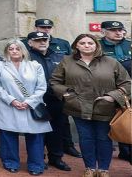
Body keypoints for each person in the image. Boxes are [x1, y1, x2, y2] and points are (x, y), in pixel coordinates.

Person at [51, 33, 131, 177]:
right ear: (76, 45)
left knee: (103, 138)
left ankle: (104, 169)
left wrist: (112, 97)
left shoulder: (110, 62)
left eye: (90, 43)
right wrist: (66, 94)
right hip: (78, 107)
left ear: (96, 45)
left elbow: (126, 83)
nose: (87, 46)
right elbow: (55, 81)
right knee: (85, 138)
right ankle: (90, 168)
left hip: (105, 108)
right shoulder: (67, 61)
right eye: (82, 43)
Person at [0, 39, 52, 175]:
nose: (14, 51)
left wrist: (29, 102)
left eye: (17, 48)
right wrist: (11, 100)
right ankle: (11, 162)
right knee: (8, 135)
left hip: (32, 105)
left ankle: (36, 165)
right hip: (9, 105)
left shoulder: (35, 66)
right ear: (6, 51)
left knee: (35, 136)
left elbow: (41, 87)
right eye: (11, 49)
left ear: (23, 51)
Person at [25, 31, 72, 172]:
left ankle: (56, 157)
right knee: (37, 131)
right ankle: (39, 158)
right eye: (38, 40)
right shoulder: (25, 57)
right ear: (30, 43)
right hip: (36, 100)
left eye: (45, 39)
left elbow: (68, 76)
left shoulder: (60, 56)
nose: (42, 42)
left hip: (56, 99)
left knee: (57, 130)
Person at [99, 20, 131, 162]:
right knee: (109, 121)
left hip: (129, 89)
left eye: (120, 30)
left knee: (127, 120)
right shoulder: (97, 46)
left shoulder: (129, 44)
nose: (118, 33)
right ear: (103, 31)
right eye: (113, 30)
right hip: (108, 90)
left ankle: (126, 151)